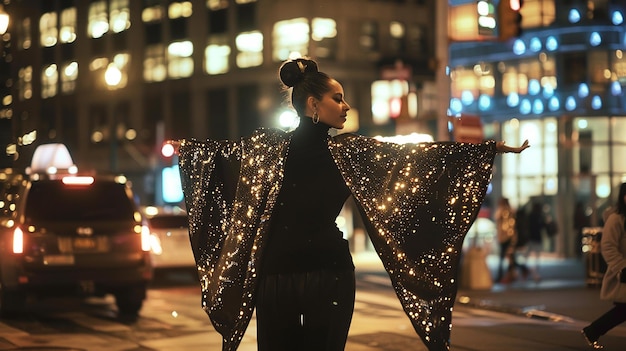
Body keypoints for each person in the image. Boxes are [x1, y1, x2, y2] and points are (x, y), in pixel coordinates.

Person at [171, 57, 529, 351]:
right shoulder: (268, 148)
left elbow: (414, 159)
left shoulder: (349, 151)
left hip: (328, 275)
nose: (346, 106)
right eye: (338, 98)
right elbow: (219, 157)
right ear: (314, 104)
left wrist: (485, 151)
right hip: (279, 278)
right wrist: (186, 150)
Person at [581, 183, 626, 349]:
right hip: (623, 271)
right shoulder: (616, 219)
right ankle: (592, 331)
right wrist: (621, 267)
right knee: (622, 310)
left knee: (622, 310)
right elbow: (608, 246)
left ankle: (592, 331)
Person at [494, 197, 528, 283]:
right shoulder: (506, 211)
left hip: (507, 239)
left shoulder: (505, 212)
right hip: (506, 238)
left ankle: (503, 275)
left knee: (505, 257)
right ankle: (521, 270)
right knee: (510, 258)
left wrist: (510, 239)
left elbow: (507, 227)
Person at [524, 201, 546, 281]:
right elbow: (542, 226)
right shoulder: (539, 216)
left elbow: (527, 227)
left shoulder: (531, 216)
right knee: (536, 257)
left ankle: (526, 271)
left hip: (531, 238)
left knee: (527, 256)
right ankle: (533, 272)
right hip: (536, 238)